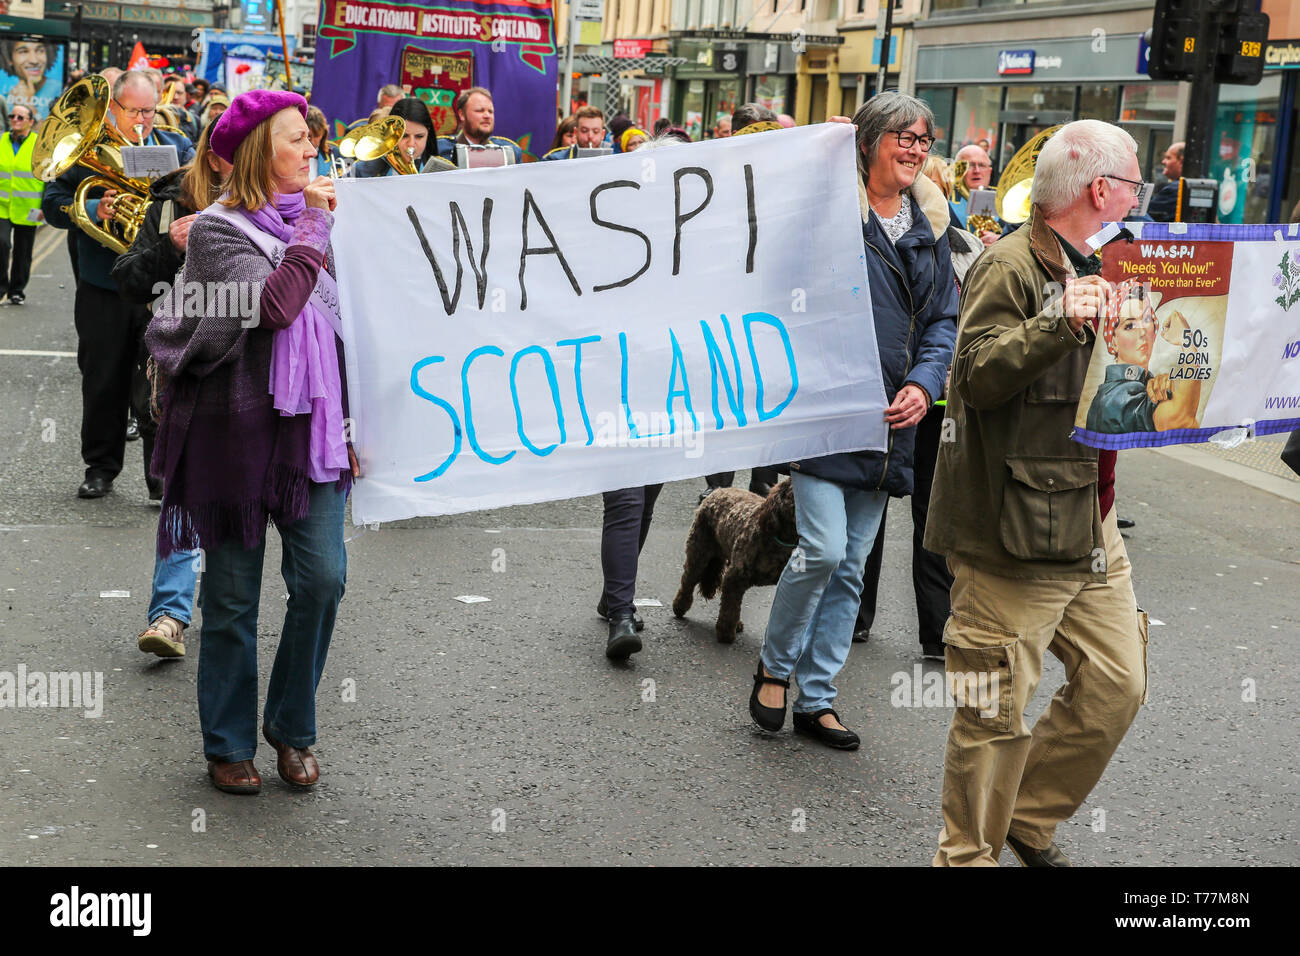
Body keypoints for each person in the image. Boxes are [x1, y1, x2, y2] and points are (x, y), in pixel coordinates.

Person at [925, 119, 1148, 867]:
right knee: (993, 713)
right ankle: (968, 857)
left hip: (1091, 517)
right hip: (1012, 528)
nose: (1138, 196)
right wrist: (1059, 318)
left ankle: (1025, 816)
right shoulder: (1009, 263)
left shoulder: (1117, 261)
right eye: (1134, 182)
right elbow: (978, 378)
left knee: (1117, 685)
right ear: (1100, 189)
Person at [145, 89, 355, 795]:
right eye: (296, 139)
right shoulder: (217, 231)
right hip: (232, 433)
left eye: (311, 139)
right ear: (263, 150)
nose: (310, 151)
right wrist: (317, 228)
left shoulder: (322, 223)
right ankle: (228, 743)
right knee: (233, 599)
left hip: (311, 431)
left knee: (323, 580)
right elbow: (272, 306)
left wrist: (356, 423)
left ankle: (291, 728)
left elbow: (349, 334)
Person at [748, 92, 957, 750]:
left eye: (924, 140)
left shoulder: (930, 230)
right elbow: (778, 285)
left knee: (851, 565)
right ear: (868, 143)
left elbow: (943, 321)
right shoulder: (826, 217)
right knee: (825, 550)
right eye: (903, 136)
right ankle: (774, 668)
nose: (915, 149)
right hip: (826, 417)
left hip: (892, 426)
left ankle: (817, 697)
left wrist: (925, 386)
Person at [42, 70, 196, 501]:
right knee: (103, 376)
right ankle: (100, 467)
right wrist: (94, 205)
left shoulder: (177, 145)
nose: (144, 120)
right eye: (135, 111)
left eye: (149, 110)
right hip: (102, 284)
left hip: (157, 283)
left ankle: (159, 474)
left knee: (158, 378)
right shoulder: (85, 150)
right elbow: (51, 206)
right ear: (113, 108)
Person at [113, 121, 232, 658]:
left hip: (252, 373)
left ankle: (233, 608)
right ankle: (170, 614)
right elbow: (130, 279)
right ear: (213, 159)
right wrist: (169, 246)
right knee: (184, 491)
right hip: (183, 371)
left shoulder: (285, 204)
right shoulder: (168, 200)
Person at [854, 153, 980, 657]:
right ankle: (927, 627)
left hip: (934, 395)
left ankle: (912, 624)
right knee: (890, 502)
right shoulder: (885, 230)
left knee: (921, 510)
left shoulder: (957, 241)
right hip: (908, 391)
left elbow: (953, 318)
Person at [1084, 282, 1203, 434]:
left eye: (1146, 319)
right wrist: (1188, 342)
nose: (1142, 332)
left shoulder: (1140, 385)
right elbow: (1183, 419)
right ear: (1113, 342)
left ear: (1154, 329)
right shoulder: (1116, 397)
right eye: (1129, 326)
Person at [0, 103, 42, 305]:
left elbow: (48, 177)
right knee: (2, 244)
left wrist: (46, 206)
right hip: (2, 206)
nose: (15, 119)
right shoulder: (1, 140)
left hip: (29, 207)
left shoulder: (39, 145)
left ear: (31, 122)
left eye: (20, 117)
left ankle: (17, 290)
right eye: (12, 115)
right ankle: (1, 287)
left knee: (23, 252)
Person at [352, 97, 439, 176]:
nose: (411, 144)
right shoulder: (363, 170)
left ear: (428, 133)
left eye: (419, 136)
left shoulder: (442, 169)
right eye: (404, 136)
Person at [434, 87, 523, 164]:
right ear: (462, 115)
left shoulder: (510, 151)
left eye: (490, 111)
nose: (487, 116)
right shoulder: (439, 149)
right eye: (479, 110)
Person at [0, 36, 63, 118]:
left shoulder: (59, 90)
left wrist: (30, 107)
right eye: (23, 52)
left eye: (40, 51)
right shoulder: (4, 98)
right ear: (9, 59)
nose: (34, 61)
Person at [950, 143, 998, 248]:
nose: (977, 171)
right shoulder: (945, 200)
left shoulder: (1006, 201)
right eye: (970, 165)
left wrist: (1001, 239)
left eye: (982, 165)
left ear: (990, 171)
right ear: (958, 170)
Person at [1147, 141, 1184, 222]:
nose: (1163, 162)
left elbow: (1144, 214)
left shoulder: (1176, 189)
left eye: (1168, 158)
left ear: (1181, 161)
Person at [306, 105, 340, 177]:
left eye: (316, 136)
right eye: (308, 136)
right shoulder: (291, 155)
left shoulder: (335, 154)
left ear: (324, 134)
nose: (312, 141)